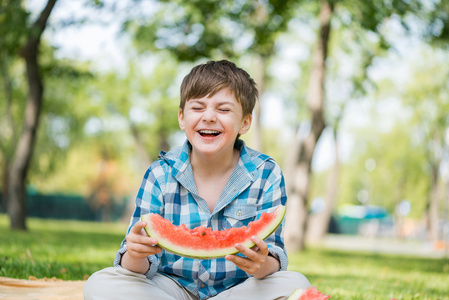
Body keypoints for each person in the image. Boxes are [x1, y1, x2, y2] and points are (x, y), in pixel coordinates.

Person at [84, 60, 310, 300]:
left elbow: (274, 255)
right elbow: (139, 266)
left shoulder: (266, 173)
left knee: (296, 283)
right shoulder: (159, 174)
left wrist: (262, 264)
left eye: (223, 109)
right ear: (182, 118)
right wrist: (136, 254)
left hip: (236, 291)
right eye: (198, 107)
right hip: (170, 287)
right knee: (100, 283)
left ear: (245, 122)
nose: (209, 117)